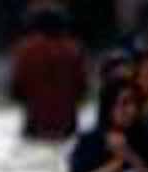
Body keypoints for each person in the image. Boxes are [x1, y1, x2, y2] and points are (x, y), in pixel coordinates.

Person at [9, 6, 88, 140]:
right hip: (67, 122)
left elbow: (16, 90)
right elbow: (82, 88)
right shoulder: (74, 50)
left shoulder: (25, 50)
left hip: (35, 121)